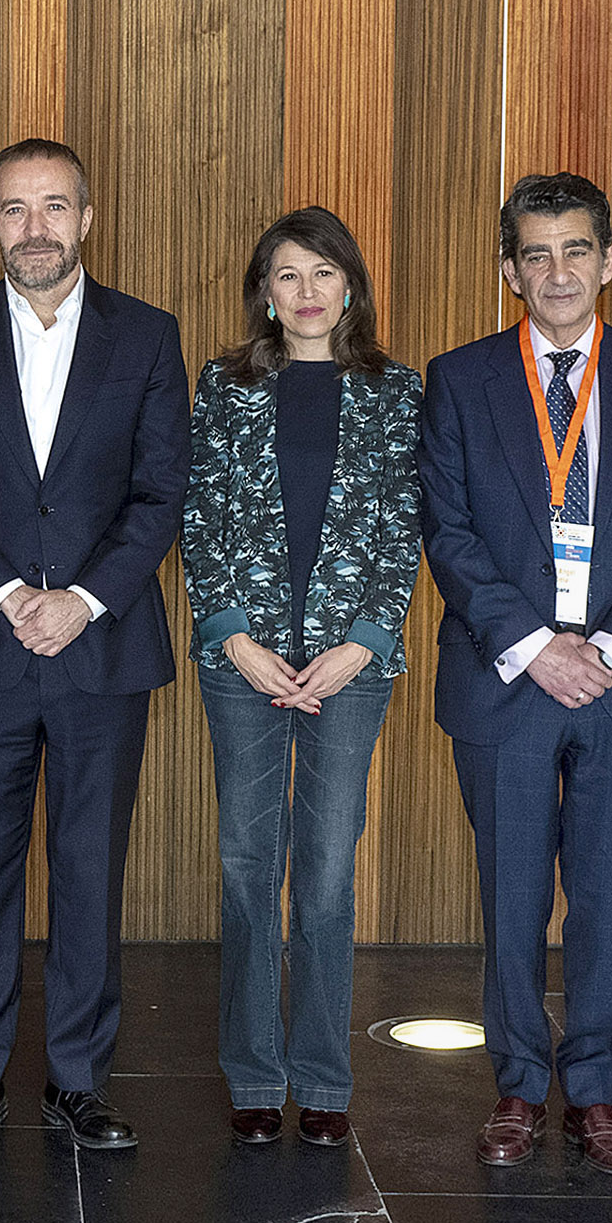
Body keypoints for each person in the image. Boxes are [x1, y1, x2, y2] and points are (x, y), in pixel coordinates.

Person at [419, 174, 612, 1174]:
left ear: (609, 261)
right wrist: (535, 645)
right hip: (507, 677)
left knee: (603, 896)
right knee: (510, 895)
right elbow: (447, 533)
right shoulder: (459, 379)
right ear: (508, 269)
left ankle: (591, 1088)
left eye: (576, 250)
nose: (557, 272)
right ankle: (516, 1083)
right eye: (536, 254)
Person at [0, 139, 190, 1153]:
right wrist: (9, 592)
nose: (36, 228)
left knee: (86, 865)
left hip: (101, 651)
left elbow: (161, 493)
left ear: (87, 217)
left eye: (54, 207)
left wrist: (85, 601)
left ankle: (78, 1077)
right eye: (15, 209)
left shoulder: (148, 338)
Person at [185, 206, 424, 1151]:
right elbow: (201, 520)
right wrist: (235, 638)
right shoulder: (224, 385)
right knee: (249, 869)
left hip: (350, 667)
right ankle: (252, 1072)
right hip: (243, 663)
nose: (309, 292)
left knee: (324, 872)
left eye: (326, 273)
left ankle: (323, 1078)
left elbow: (404, 522)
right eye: (289, 275)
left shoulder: (396, 389)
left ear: (352, 288)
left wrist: (362, 641)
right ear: (265, 292)